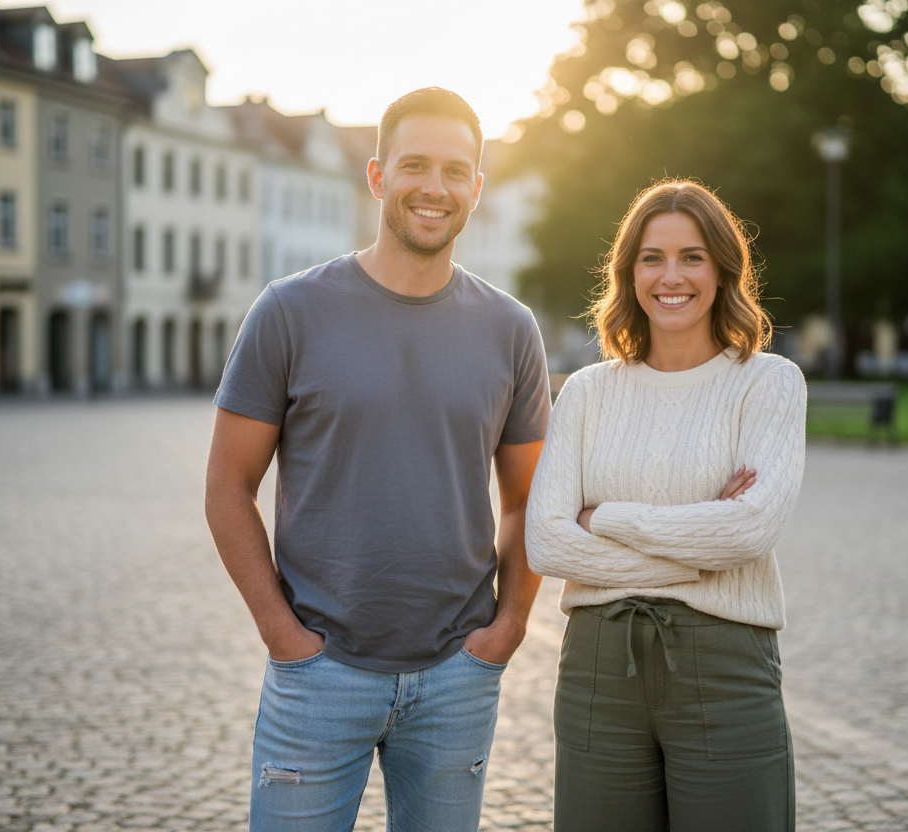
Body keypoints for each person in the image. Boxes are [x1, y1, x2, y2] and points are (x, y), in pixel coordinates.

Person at [205, 87, 551, 832]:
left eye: (455, 171)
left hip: (457, 676)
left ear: (476, 189)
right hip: (319, 672)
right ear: (377, 176)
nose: (435, 187)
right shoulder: (289, 311)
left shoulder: (510, 328)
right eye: (414, 165)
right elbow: (228, 487)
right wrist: (282, 635)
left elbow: (530, 500)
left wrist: (507, 631)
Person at [525, 179, 807, 831]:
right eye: (652, 258)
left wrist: (605, 519)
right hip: (599, 666)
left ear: (722, 270)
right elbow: (546, 541)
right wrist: (697, 555)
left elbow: (748, 531)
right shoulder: (587, 392)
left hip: (726, 666)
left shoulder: (768, 382)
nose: (670, 276)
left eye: (692, 257)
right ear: (629, 273)